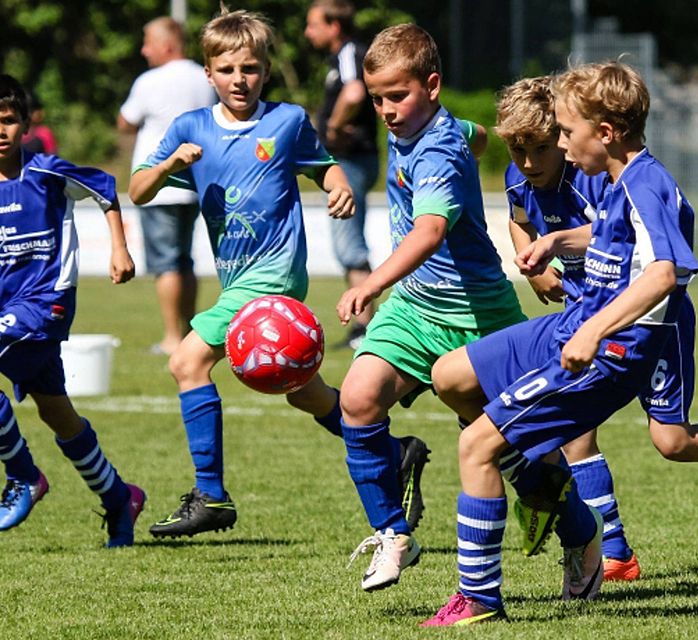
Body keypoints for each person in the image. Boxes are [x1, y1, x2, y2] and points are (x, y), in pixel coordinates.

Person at [422, 61, 698, 626]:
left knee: (485, 445)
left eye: (566, 132)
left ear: (604, 133)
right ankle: (546, 485)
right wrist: (553, 240)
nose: (562, 144)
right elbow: (608, 237)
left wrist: (595, 329)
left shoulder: (646, 183)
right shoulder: (621, 180)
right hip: (579, 319)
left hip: (617, 344)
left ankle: (482, 596)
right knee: (451, 376)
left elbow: (662, 273)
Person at [128, 8, 366, 540]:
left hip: (276, 279)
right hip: (238, 282)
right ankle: (391, 451)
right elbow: (138, 190)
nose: (241, 79)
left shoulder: (287, 121)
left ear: (264, 71)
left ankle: (210, 493)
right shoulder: (190, 128)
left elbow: (322, 163)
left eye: (252, 69)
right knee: (303, 391)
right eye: (229, 69)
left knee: (187, 361)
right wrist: (168, 167)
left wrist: (337, 182)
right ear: (208, 74)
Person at [338, 24, 527, 593]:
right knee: (358, 398)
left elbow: (431, 229)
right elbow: (479, 136)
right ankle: (394, 534)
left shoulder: (437, 151)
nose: (387, 110)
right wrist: (482, 140)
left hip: (479, 313)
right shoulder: (433, 129)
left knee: (526, 450)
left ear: (433, 85)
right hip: (418, 308)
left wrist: (371, 283)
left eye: (398, 96)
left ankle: (581, 534)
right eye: (377, 98)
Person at [0, 74, 145, 548]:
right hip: (8, 307)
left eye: (9, 120)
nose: (0, 130)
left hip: (46, 304)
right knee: (61, 417)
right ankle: (120, 498)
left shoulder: (48, 172)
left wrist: (120, 249)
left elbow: (105, 189)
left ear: (26, 123)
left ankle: (23, 476)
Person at [494, 76, 640, 580]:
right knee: (578, 436)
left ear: (561, 137)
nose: (529, 162)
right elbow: (517, 217)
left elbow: (614, 229)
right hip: (580, 316)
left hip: (631, 316)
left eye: (539, 148)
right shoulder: (521, 186)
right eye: (518, 149)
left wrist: (555, 242)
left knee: (674, 440)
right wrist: (531, 266)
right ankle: (614, 549)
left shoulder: (591, 179)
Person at [119, 16, 218, 356]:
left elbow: (125, 121)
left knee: (166, 263)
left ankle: (172, 337)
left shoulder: (150, 80)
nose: (144, 51)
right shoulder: (204, 78)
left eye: (148, 43)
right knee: (185, 260)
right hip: (196, 182)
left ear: (167, 44)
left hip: (158, 182)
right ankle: (191, 331)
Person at [304, 0, 379, 349]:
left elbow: (354, 91)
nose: (308, 32)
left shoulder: (349, 52)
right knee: (347, 243)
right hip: (352, 161)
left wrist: (333, 126)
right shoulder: (341, 56)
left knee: (349, 244)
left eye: (313, 25)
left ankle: (365, 328)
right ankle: (364, 327)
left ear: (334, 26)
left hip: (349, 162)